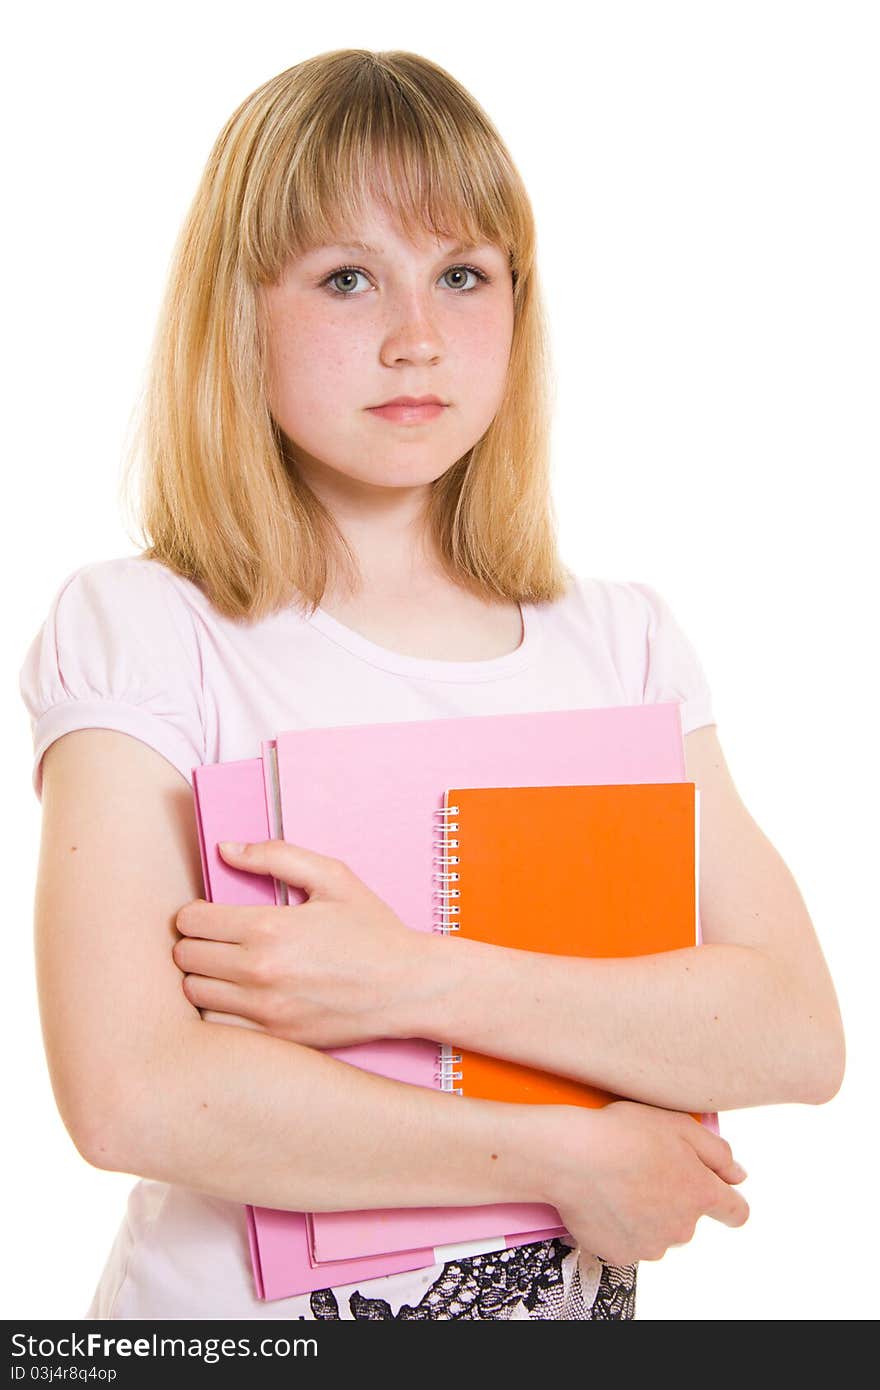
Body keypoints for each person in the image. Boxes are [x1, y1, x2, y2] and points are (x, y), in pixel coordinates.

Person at [18, 49, 845, 1322]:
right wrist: (576, 1158)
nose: (414, 338)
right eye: (347, 277)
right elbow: (131, 1091)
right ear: (239, 311)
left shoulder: (618, 641)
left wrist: (408, 978)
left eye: (462, 274)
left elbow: (791, 1030)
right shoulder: (148, 629)